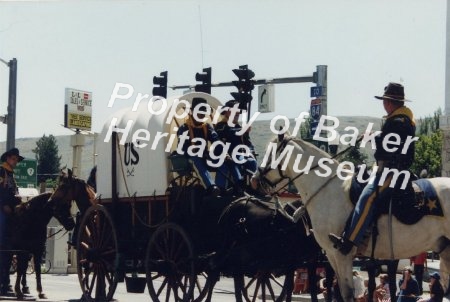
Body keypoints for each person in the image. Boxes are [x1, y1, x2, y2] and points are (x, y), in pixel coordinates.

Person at [329, 82, 416, 255]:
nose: (383, 104)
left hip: (393, 172)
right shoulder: (400, 119)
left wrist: (372, 138)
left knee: (368, 197)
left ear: (389, 102)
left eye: (385, 100)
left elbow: (389, 143)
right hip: (385, 169)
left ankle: (350, 241)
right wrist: (374, 136)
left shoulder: (399, 121)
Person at [177, 98, 229, 197]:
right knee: (196, 159)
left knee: (223, 161)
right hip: (190, 158)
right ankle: (211, 188)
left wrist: (224, 154)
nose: (201, 114)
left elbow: (216, 140)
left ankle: (220, 188)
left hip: (204, 155)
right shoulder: (184, 128)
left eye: (203, 112)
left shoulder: (207, 127)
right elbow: (181, 148)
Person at [215, 100, 257, 191]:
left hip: (239, 155)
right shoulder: (220, 126)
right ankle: (239, 185)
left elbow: (248, 143)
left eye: (238, 111)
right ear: (227, 112)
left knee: (252, 161)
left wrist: (251, 152)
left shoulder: (239, 127)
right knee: (235, 160)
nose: (237, 113)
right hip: (224, 156)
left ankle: (254, 186)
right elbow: (228, 133)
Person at [0, 148, 23, 295]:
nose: (15, 162)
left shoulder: (11, 174)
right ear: (7, 158)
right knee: (2, 238)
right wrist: (3, 205)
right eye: (13, 159)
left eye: (16, 159)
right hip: (1, 210)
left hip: (11, 210)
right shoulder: (1, 171)